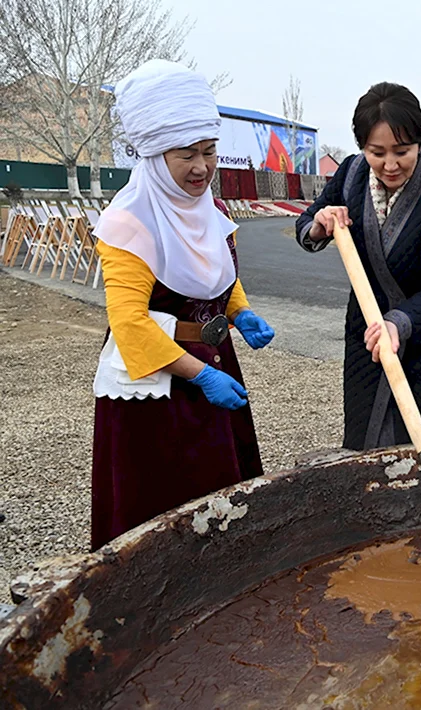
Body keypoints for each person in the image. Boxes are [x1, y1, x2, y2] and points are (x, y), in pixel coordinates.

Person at [91, 61, 272, 550]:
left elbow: (217, 275)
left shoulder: (208, 209)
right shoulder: (129, 224)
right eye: (185, 155)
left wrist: (240, 312)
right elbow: (128, 324)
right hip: (157, 386)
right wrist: (201, 374)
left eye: (210, 152)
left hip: (213, 364)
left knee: (220, 482)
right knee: (163, 499)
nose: (201, 168)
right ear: (153, 156)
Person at [295, 82, 421, 451]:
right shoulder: (351, 174)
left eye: (402, 151)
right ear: (362, 147)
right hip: (368, 334)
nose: (390, 165)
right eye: (377, 152)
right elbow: (309, 222)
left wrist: (398, 322)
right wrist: (320, 222)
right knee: (364, 442)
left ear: (420, 143)